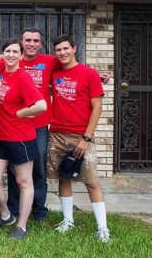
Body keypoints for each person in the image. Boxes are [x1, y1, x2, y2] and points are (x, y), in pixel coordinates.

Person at [47, 35, 110, 243]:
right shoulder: (54, 71)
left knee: (91, 182)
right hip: (57, 133)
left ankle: (102, 228)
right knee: (64, 177)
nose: (62, 53)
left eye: (66, 48)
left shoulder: (88, 74)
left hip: (81, 136)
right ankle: (68, 220)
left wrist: (86, 137)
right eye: (58, 50)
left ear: (74, 49)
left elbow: (97, 107)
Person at [0, 38, 46, 240]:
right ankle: (5, 215)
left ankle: (21, 225)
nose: (11, 55)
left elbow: (41, 105)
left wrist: (20, 113)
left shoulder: (22, 77)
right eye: (7, 51)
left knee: (23, 182)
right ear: (3, 54)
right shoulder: (1, 71)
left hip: (20, 138)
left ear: (21, 55)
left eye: (15, 52)